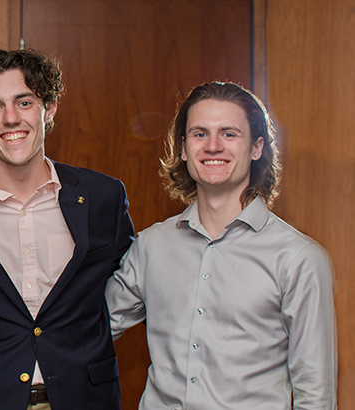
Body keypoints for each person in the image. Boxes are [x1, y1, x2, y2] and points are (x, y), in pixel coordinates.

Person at [105, 82, 337, 409]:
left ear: (257, 148)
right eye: (200, 134)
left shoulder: (299, 258)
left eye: (229, 134)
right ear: (183, 149)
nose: (213, 146)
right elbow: (90, 327)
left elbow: (315, 393)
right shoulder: (150, 246)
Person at [0, 49, 134, 409]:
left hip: (84, 397)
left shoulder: (103, 196)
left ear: (48, 108)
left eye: (24, 102)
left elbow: (132, 286)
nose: (10, 118)